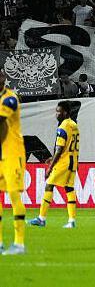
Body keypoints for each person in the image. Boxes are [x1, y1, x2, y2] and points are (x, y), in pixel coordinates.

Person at [29, 101, 80, 228]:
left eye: (59, 112)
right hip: (73, 161)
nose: (56, 114)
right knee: (69, 188)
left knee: (49, 185)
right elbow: (70, 146)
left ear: (65, 113)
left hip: (63, 162)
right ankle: (72, 220)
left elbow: (60, 149)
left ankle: (41, 218)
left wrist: (50, 166)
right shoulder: (74, 125)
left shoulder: (63, 126)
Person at [0, 69, 26, 254]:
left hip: (12, 154)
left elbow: (1, 123)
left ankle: (19, 244)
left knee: (14, 196)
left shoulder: (10, 99)